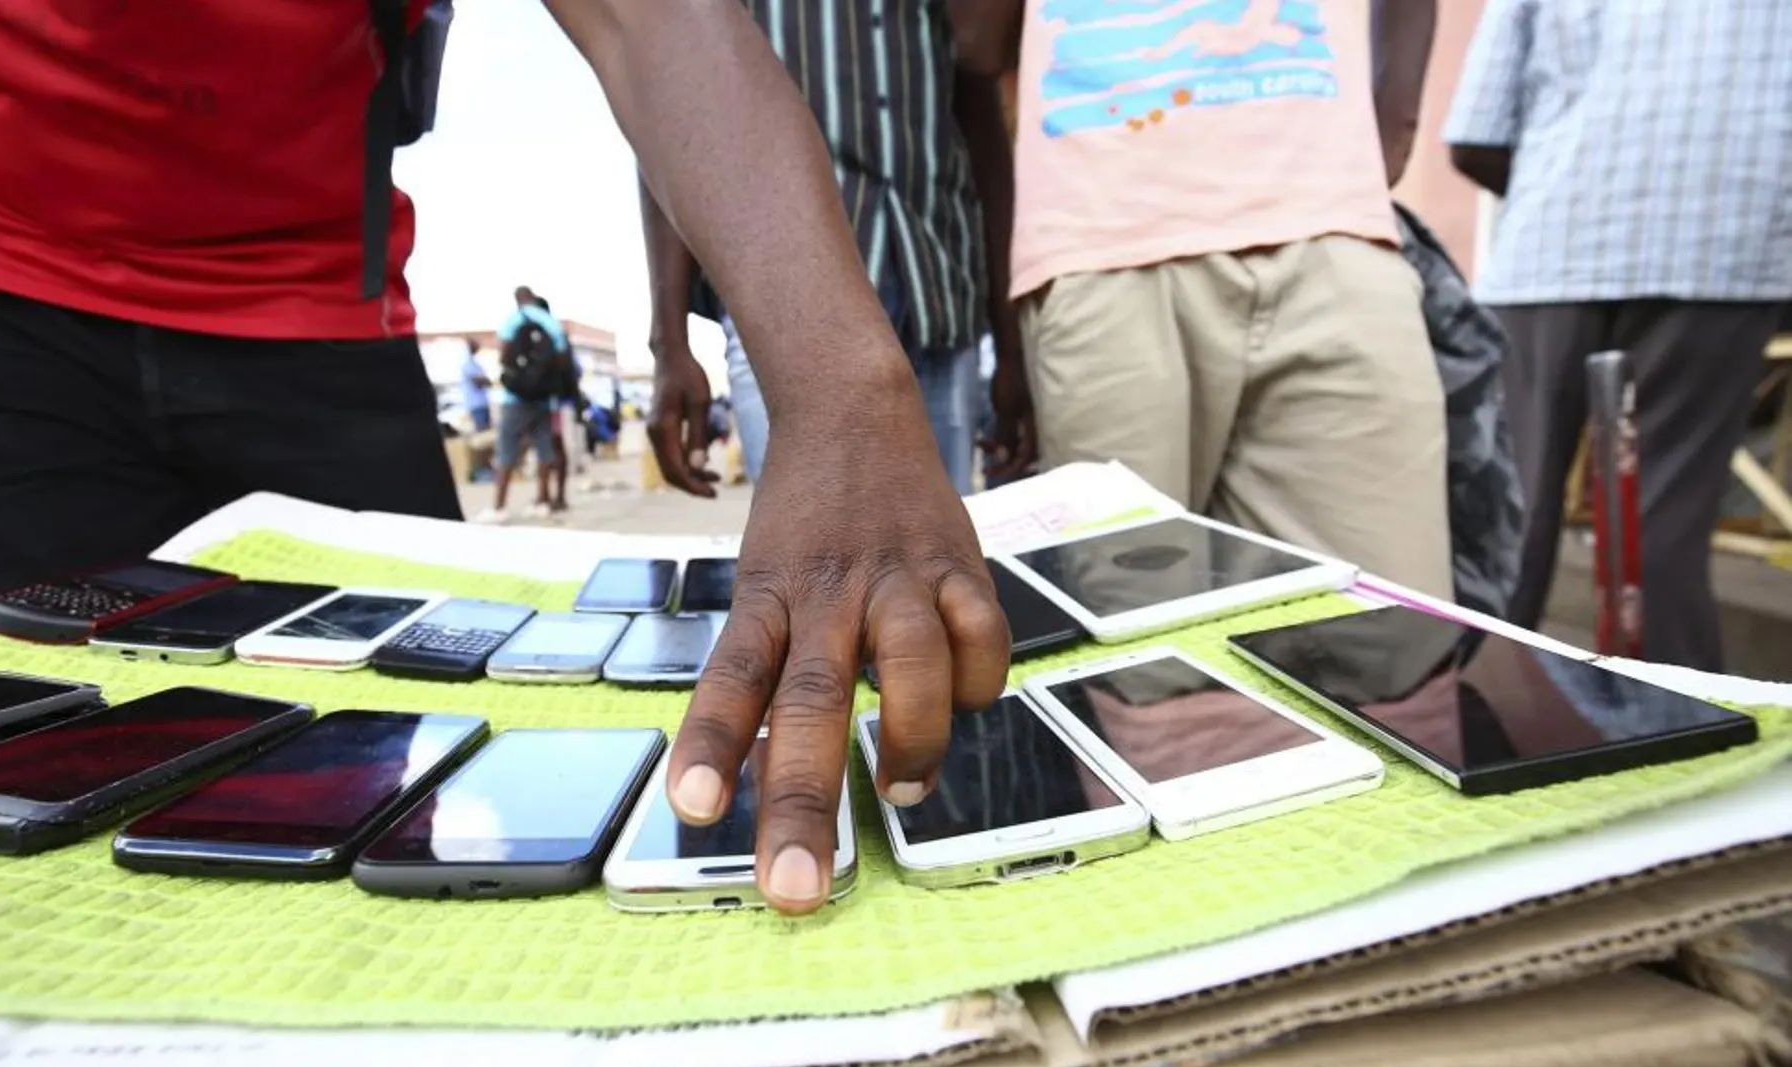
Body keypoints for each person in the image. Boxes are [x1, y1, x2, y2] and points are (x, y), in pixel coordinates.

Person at [0, 2, 1012, 914]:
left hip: (315, 319)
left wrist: (847, 392)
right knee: (11, 811)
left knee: (391, 776)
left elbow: (651, 19)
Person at [954, 0, 1454, 600]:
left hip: (1328, 218)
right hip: (1104, 228)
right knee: (1136, 635)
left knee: (1385, 626)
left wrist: (1388, 132)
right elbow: (975, 40)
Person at [1443, 0, 1792, 672]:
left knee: (1509, 517)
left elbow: (1475, 133)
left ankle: (1467, 717)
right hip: (1723, 243)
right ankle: (1673, 738)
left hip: (1553, 245)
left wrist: (1569, 189)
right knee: (1659, 530)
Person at [640, 0, 1037, 498]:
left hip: (939, 286)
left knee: (942, 548)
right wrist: (669, 343)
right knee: (815, 555)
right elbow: (668, 111)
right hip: (783, 305)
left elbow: (981, 104)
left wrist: (1010, 345)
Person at [480, 287, 574, 521]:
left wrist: (519, 377)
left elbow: (503, 355)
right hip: (545, 400)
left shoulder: (514, 320)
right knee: (544, 449)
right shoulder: (551, 323)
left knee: (507, 447)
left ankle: (499, 506)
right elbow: (563, 361)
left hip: (517, 398)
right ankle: (543, 501)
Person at [459, 337, 493, 433]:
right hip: (476, 404)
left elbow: (485, 381)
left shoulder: (474, 362)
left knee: (487, 431)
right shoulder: (467, 363)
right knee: (482, 433)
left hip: (482, 402)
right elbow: (480, 381)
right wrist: (486, 380)